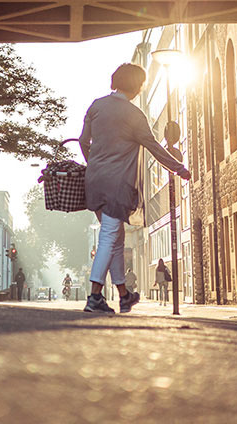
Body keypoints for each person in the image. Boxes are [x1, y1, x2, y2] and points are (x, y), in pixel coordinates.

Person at [79, 62, 190, 314]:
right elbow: (153, 145)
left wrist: (95, 163)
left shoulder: (96, 106)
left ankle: (124, 295)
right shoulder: (133, 114)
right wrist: (178, 168)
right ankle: (94, 295)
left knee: (116, 238)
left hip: (94, 181)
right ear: (138, 86)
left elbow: (84, 141)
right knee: (108, 235)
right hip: (118, 184)